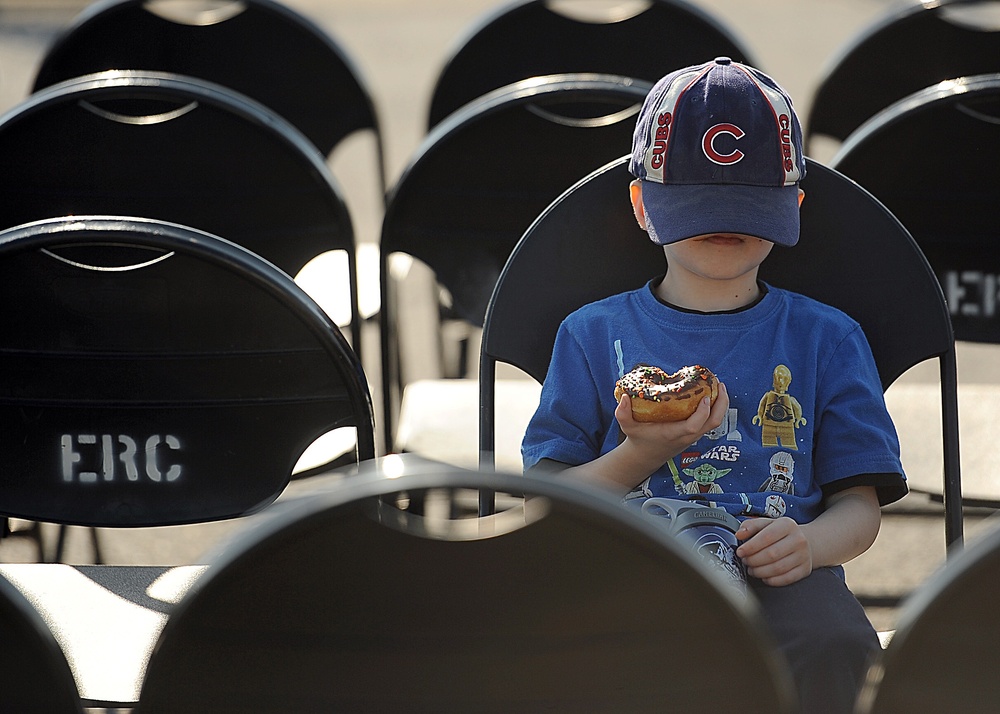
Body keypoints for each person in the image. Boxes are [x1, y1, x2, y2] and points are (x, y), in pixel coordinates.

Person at [521, 57, 907, 713]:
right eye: (699, 207)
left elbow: (860, 506)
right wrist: (640, 452)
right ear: (642, 204)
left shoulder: (827, 338)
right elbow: (548, 500)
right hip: (628, 567)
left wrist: (811, 544)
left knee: (836, 642)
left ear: (794, 207)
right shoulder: (591, 334)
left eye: (748, 207)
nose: (724, 226)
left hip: (781, 571)